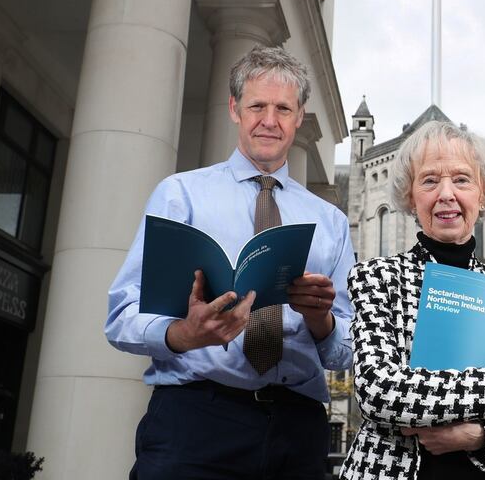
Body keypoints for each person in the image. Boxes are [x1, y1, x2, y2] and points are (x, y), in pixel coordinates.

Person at [105, 45, 355, 479]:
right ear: (235, 109)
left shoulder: (331, 220)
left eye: (283, 108)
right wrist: (183, 333)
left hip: (297, 432)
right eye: (257, 106)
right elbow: (122, 317)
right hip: (196, 421)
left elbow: (345, 352)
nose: (270, 120)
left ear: (299, 117)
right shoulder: (181, 195)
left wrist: (321, 320)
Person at [340, 121, 485, 480]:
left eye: (462, 179)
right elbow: (378, 389)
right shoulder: (377, 278)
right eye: (430, 181)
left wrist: (480, 438)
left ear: (483, 194)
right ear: (410, 197)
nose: (446, 194)